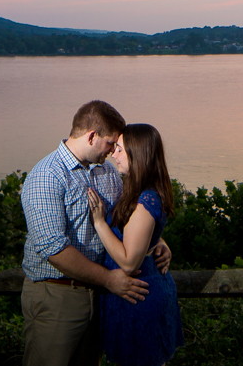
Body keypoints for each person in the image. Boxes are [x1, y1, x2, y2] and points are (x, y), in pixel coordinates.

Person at [20, 100, 170, 366]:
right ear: (91, 136)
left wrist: (156, 240)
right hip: (58, 295)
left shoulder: (107, 172)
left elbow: (132, 220)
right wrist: (109, 280)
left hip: (101, 296)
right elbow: (54, 250)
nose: (113, 152)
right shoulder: (47, 176)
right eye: (111, 143)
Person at [86, 123, 183, 366]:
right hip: (131, 294)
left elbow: (129, 262)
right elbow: (142, 233)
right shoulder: (136, 190)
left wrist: (99, 223)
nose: (113, 154)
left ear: (137, 155)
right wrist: (158, 241)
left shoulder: (146, 197)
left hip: (139, 296)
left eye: (119, 149)